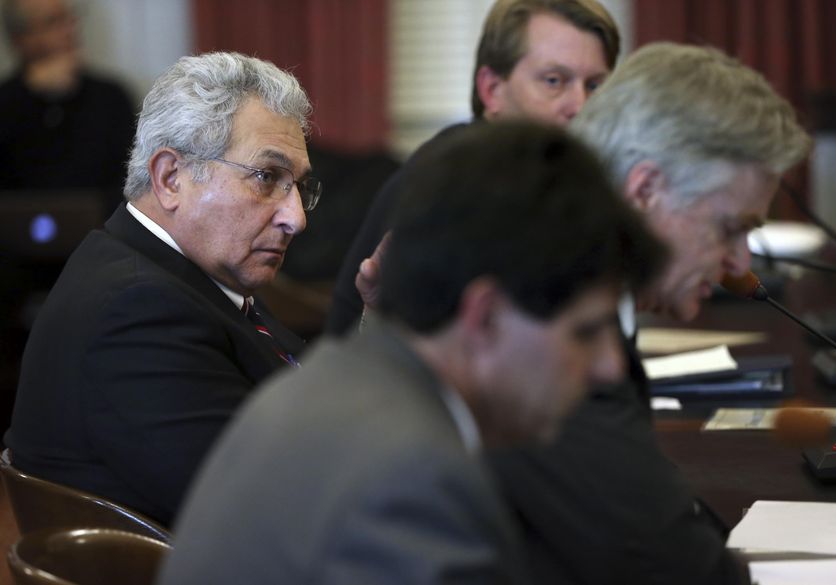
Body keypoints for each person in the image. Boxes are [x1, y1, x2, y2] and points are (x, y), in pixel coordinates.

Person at [158, 121, 667, 585]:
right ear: (484, 316)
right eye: (586, 331)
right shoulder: (416, 480)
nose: (609, 365)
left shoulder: (337, 380)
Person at [489, 42, 812, 585]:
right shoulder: (548, 326)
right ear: (644, 190)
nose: (740, 262)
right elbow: (668, 563)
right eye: (730, 228)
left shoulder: (566, 271)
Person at [4, 51, 319, 527]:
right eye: (266, 177)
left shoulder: (181, 275)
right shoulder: (137, 310)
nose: (295, 218)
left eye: (297, 186)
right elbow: (268, 512)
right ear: (171, 178)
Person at [325, 0, 619, 336]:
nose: (580, 105)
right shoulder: (453, 184)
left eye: (595, 85)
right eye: (554, 81)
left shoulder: (572, 187)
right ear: (492, 90)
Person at [0, 0, 136, 214]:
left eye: (69, 18)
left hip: (101, 236)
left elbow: (130, 184)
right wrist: (33, 95)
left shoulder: (111, 98)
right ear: (20, 39)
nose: (69, 29)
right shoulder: (7, 104)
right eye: (53, 22)